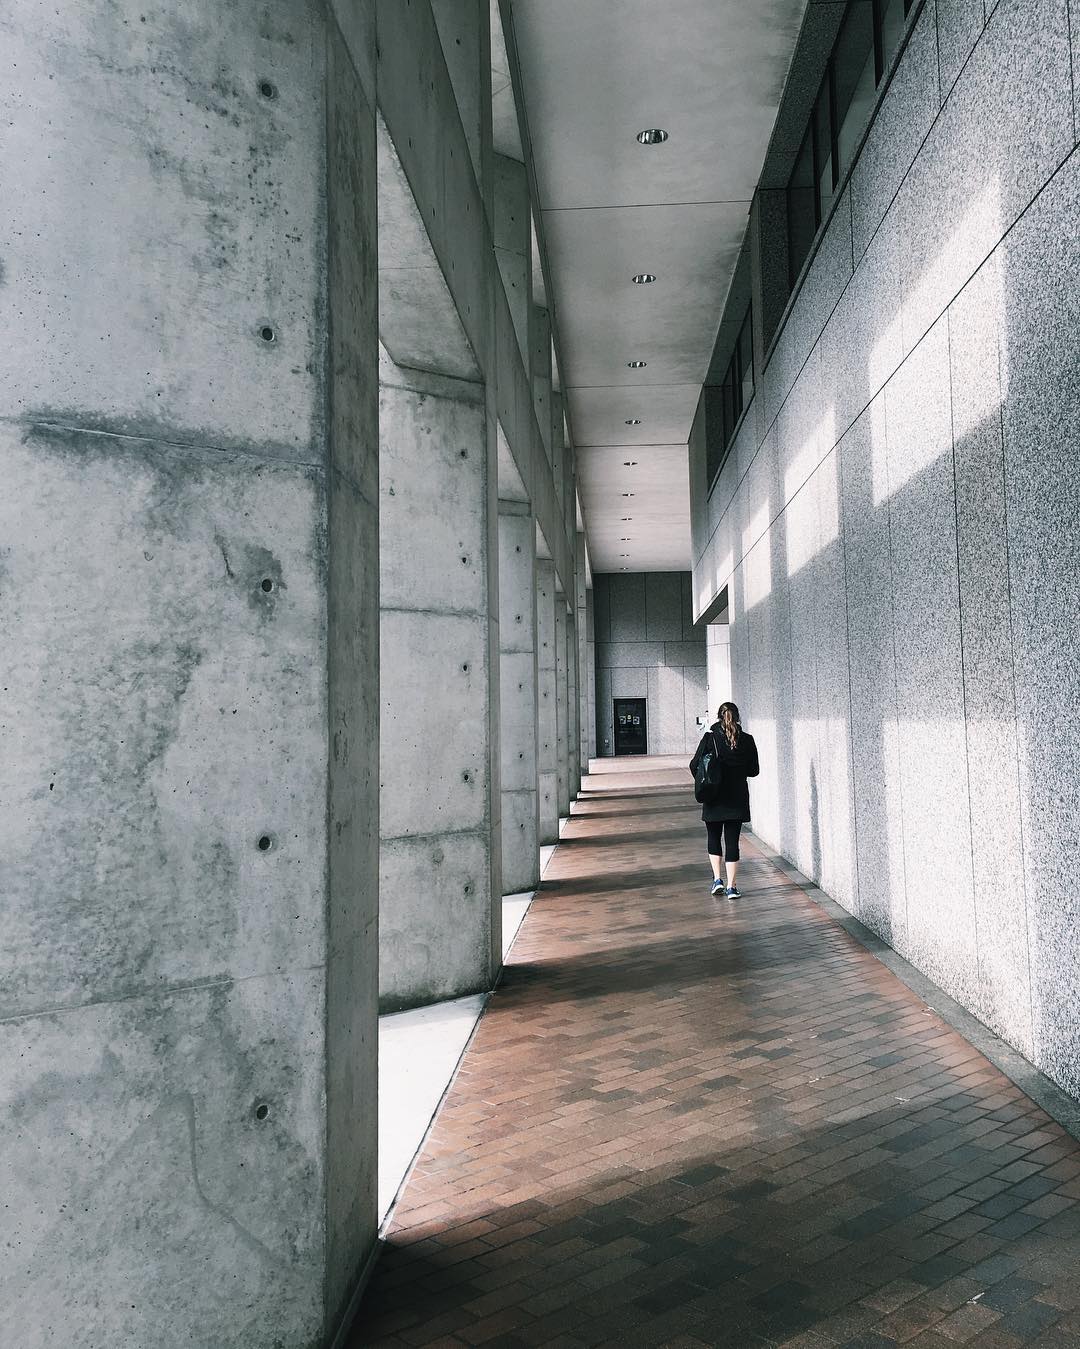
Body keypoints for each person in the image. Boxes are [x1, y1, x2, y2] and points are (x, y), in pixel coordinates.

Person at [689, 702, 760, 899]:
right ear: (737, 717)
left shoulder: (710, 738)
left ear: (719, 717)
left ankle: (717, 880)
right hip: (736, 798)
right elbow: (754, 771)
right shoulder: (747, 740)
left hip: (713, 797)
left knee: (713, 838)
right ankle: (732, 887)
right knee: (732, 842)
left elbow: (694, 764)